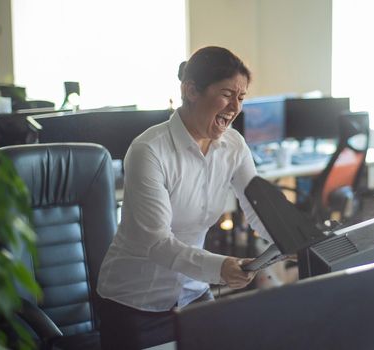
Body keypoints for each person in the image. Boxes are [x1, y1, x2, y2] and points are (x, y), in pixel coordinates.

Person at [97, 46, 274, 349]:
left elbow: (260, 208)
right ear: (191, 90)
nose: (235, 106)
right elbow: (156, 242)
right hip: (137, 301)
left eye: (241, 97)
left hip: (192, 292)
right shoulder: (149, 151)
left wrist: (293, 239)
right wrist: (220, 267)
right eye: (227, 93)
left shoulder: (233, 145)